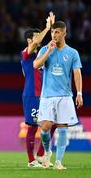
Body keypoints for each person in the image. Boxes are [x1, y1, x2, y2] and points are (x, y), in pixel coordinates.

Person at [33, 21, 83, 170]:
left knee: (62, 128)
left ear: (64, 33)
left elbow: (77, 73)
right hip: (47, 96)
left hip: (65, 96)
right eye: (52, 32)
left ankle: (58, 162)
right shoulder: (44, 49)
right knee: (45, 126)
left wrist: (79, 93)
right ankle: (47, 152)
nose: (54, 35)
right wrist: (48, 51)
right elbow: (36, 65)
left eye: (57, 32)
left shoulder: (72, 53)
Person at [20, 12, 57, 167]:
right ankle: (31, 160)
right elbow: (35, 43)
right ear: (29, 40)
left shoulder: (42, 55)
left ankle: (41, 154)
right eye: (36, 37)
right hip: (32, 95)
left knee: (52, 123)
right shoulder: (25, 54)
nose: (39, 40)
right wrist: (47, 28)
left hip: (45, 95)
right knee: (33, 125)